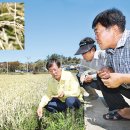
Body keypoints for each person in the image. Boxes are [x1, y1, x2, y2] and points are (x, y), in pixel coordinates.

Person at [92, 8, 130, 120]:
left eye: (97, 32)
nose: (96, 38)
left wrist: (122, 78)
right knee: (102, 77)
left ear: (114, 29)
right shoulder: (109, 50)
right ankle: (123, 110)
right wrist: (108, 70)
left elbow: (121, 77)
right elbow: (111, 68)